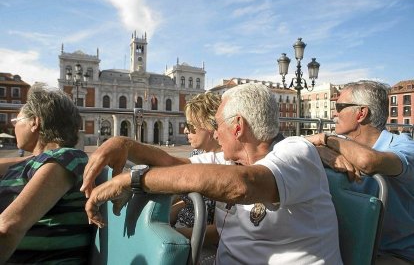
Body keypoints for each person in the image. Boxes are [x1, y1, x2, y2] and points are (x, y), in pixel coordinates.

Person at [82, 83, 342, 264]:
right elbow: (171, 164)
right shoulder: (227, 160)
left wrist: (133, 179)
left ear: (238, 127)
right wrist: (123, 145)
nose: (215, 133)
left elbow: (242, 185)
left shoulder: (296, 151)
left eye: (217, 125)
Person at [305, 80, 414, 264]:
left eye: (340, 107)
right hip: (345, 246)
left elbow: (367, 161)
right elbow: (287, 149)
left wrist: (326, 138)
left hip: (393, 255)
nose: (334, 113)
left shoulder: (403, 146)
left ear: (361, 113)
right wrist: (316, 149)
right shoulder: (340, 143)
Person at [0, 83, 91, 264]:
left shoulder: (65, 159)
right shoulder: (33, 162)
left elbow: (9, 227)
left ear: (35, 122)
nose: (15, 127)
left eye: (16, 122)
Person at [170, 92, 225, 264]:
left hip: (200, 246)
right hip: (179, 231)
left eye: (190, 125)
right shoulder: (197, 153)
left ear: (210, 126)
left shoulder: (228, 166)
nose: (185, 130)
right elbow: (182, 196)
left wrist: (171, 236)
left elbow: (219, 231)